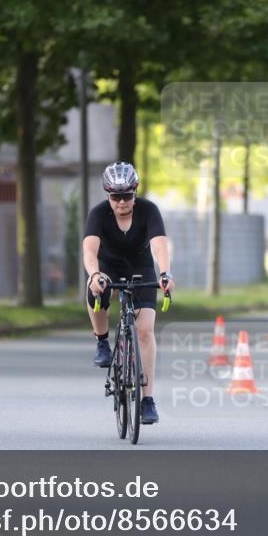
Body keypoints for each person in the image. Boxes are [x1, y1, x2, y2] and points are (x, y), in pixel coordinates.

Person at [82, 162, 174, 425]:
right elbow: (89, 249)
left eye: (127, 196)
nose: (121, 202)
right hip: (107, 268)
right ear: (107, 195)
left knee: (145, 331)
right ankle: (102, 342)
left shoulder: (148, 210)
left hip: (141, 269)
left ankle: (147, 400)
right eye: (115, 196)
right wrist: (94, 274)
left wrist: (165, 273)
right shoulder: (99, 214)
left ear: (135, 193)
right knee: (95, 291)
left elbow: (159, 245)